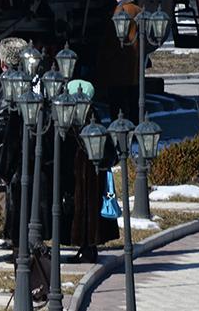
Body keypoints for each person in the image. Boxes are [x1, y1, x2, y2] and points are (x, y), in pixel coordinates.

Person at [64, 79, 118, 263]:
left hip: (87, 175)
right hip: (86, 175)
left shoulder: (85, 120)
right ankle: (86, 248)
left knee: (86, 211)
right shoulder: (89, 117)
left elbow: (109, 151)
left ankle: (88, 249)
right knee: (85, 211)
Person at [0, 37, 30, 248]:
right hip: (21, 145)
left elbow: (0, 120)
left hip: (7, 146)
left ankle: (12, 237)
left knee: (7, 191)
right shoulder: (28, 79)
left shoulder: (9, 85)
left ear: (3, 62)